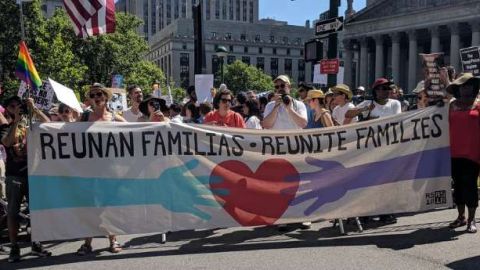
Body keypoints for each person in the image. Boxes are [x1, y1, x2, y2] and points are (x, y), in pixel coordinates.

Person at [1, 96, 51, 262]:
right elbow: (7, 143)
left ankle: (36, 243)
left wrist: (34, 108)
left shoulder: (30, 122)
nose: (16, 108)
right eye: (12, 106)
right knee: (13, 213)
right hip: (14, 175)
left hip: (33, 174)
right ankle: (14, 248)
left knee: (35, 211)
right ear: (7, 109)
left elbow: (49, 123)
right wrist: (15, 121)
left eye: (19, 105)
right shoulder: (5, 126)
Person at [77, 84, 125, 256]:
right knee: (90, 207)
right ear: (89, 99)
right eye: (92, 94)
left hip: (110, 172)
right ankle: (87, 243)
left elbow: (137, 133)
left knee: (108, 207)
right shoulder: (83, 118)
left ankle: (113, 240)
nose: (96, 96)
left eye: (99, 94)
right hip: (88, 172)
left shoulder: (114, 118)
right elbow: (63, 133)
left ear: (105, 97)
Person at [346, 78, 402, 224]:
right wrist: (365, 111)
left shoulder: (395, 104)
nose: (385, 91)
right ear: (375, 91)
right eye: (381, 88)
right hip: (370, 150)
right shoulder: (368, 104)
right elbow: (348, 114)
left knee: (386, 182)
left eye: (387, 88)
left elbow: (398, 122)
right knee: (369, 181)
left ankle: (385, 212)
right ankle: (366, 212)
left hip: (388, 149)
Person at [262, 75, 309, 230]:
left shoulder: (299, 104)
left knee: (299, 184)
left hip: (296, 150)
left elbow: (302, 123)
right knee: (280, 186)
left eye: (282, 86)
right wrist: (276, 106)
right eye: (276, 87)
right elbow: (267, 125)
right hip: (278, 150)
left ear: (289, 87)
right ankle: (283, 217)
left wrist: (289, 108)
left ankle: (302, 216)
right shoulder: (270, 106)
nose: (280, 89)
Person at [446, 73, 480, 233]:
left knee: (470, 186)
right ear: (459, 88)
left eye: (469, 85)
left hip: (474, 153)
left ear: (474, 87)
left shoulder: (479, 104)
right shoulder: (451, 105)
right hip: (453, 152)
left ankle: (472, 219)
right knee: (458, 186)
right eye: (463, 85)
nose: (466, 88)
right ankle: (461, 217)